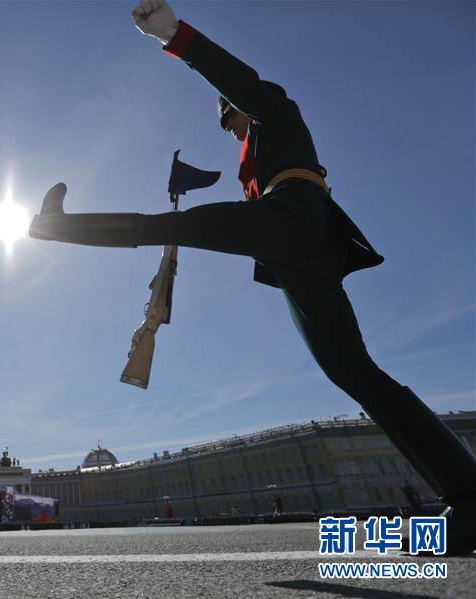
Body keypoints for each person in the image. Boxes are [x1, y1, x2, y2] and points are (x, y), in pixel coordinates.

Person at [29, 0, 476, 555]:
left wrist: (173, 34)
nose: (230, 128)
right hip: (295, 254)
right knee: (354, 373)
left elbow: (237, 78)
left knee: (170, 224)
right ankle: (469, 496)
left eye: (230, 117)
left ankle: (57, 226)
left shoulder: (277, 114)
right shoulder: (257, 165)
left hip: (292, 221)